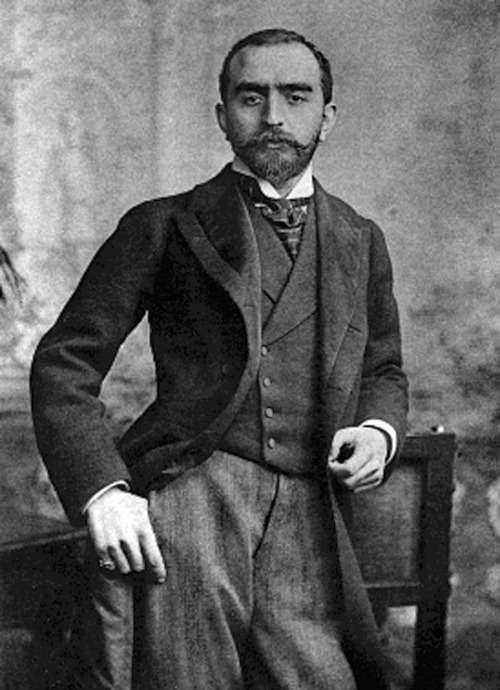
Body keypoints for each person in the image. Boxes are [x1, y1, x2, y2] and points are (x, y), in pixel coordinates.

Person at [30, 28, 408, 690]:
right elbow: (65, 363)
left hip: (311, 513)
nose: (273, 116)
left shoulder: (360, 239)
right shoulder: (162, 224)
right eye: (251, 97)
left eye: (296, 97)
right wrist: (103, 491)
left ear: (328, 116)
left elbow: (382, 370)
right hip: (191, 500)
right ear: (222, 115)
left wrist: (378, 430)